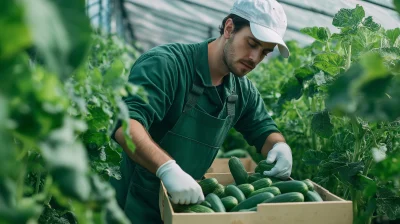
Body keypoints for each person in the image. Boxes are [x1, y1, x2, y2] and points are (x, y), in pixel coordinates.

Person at [110, 0, 293, 223]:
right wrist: (167, 169)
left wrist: (279, 146)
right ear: (229, 28)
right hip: (132, 205)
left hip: (185, 208)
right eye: (252, 43)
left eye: (265, 52)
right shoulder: (167, 65)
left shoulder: (241, 90)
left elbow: (263, 129)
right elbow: (126, 126)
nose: (255, 58)